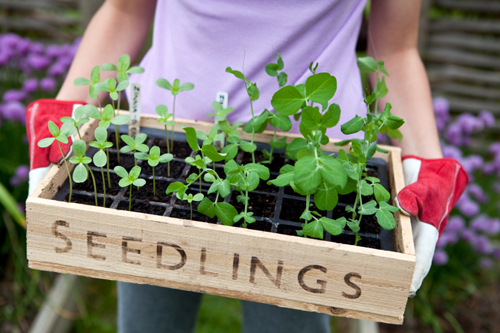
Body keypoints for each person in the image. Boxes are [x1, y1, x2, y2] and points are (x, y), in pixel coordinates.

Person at [26, 0, 467, 332]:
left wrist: (428, 164)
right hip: (158, 151)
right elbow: (124, 9)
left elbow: (396, 48)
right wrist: (66, 112)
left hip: (314, 169)